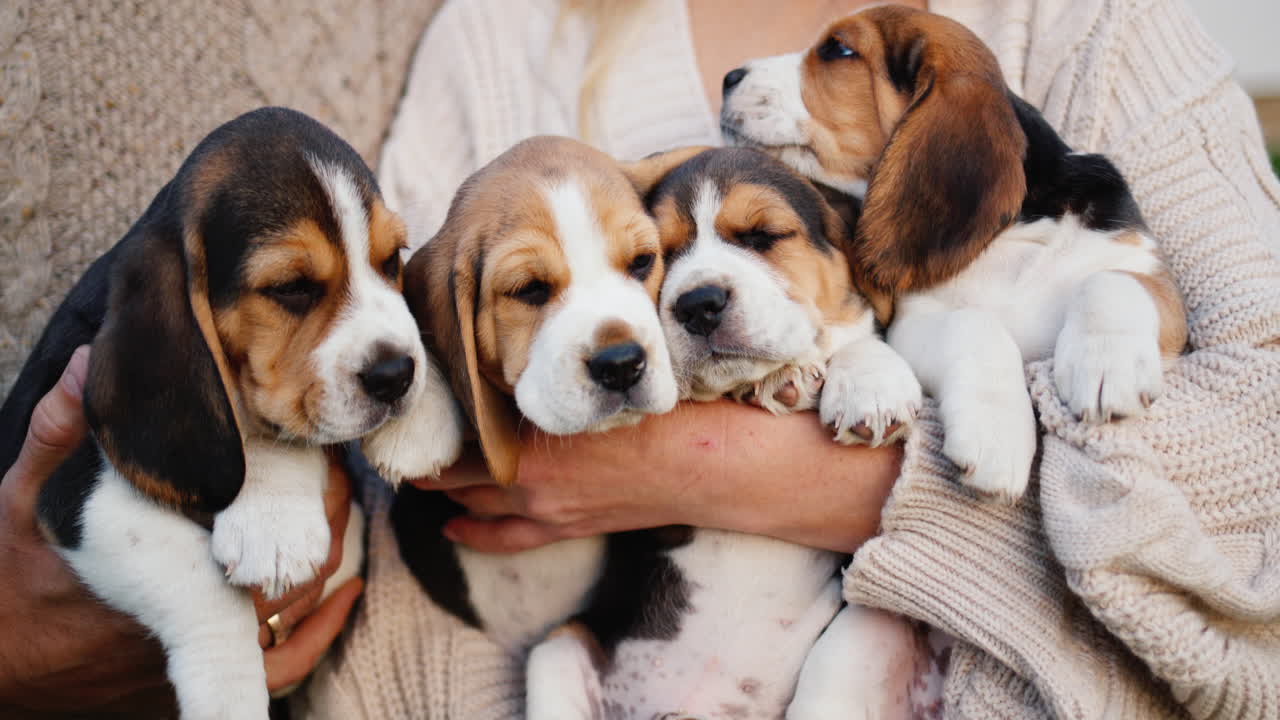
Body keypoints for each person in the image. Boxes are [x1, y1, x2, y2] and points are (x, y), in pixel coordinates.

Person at [297, 0, 1280, 718]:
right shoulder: (504, 36)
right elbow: (394, 422)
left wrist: (723, 470)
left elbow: (1256, 462)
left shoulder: (1092, 27)